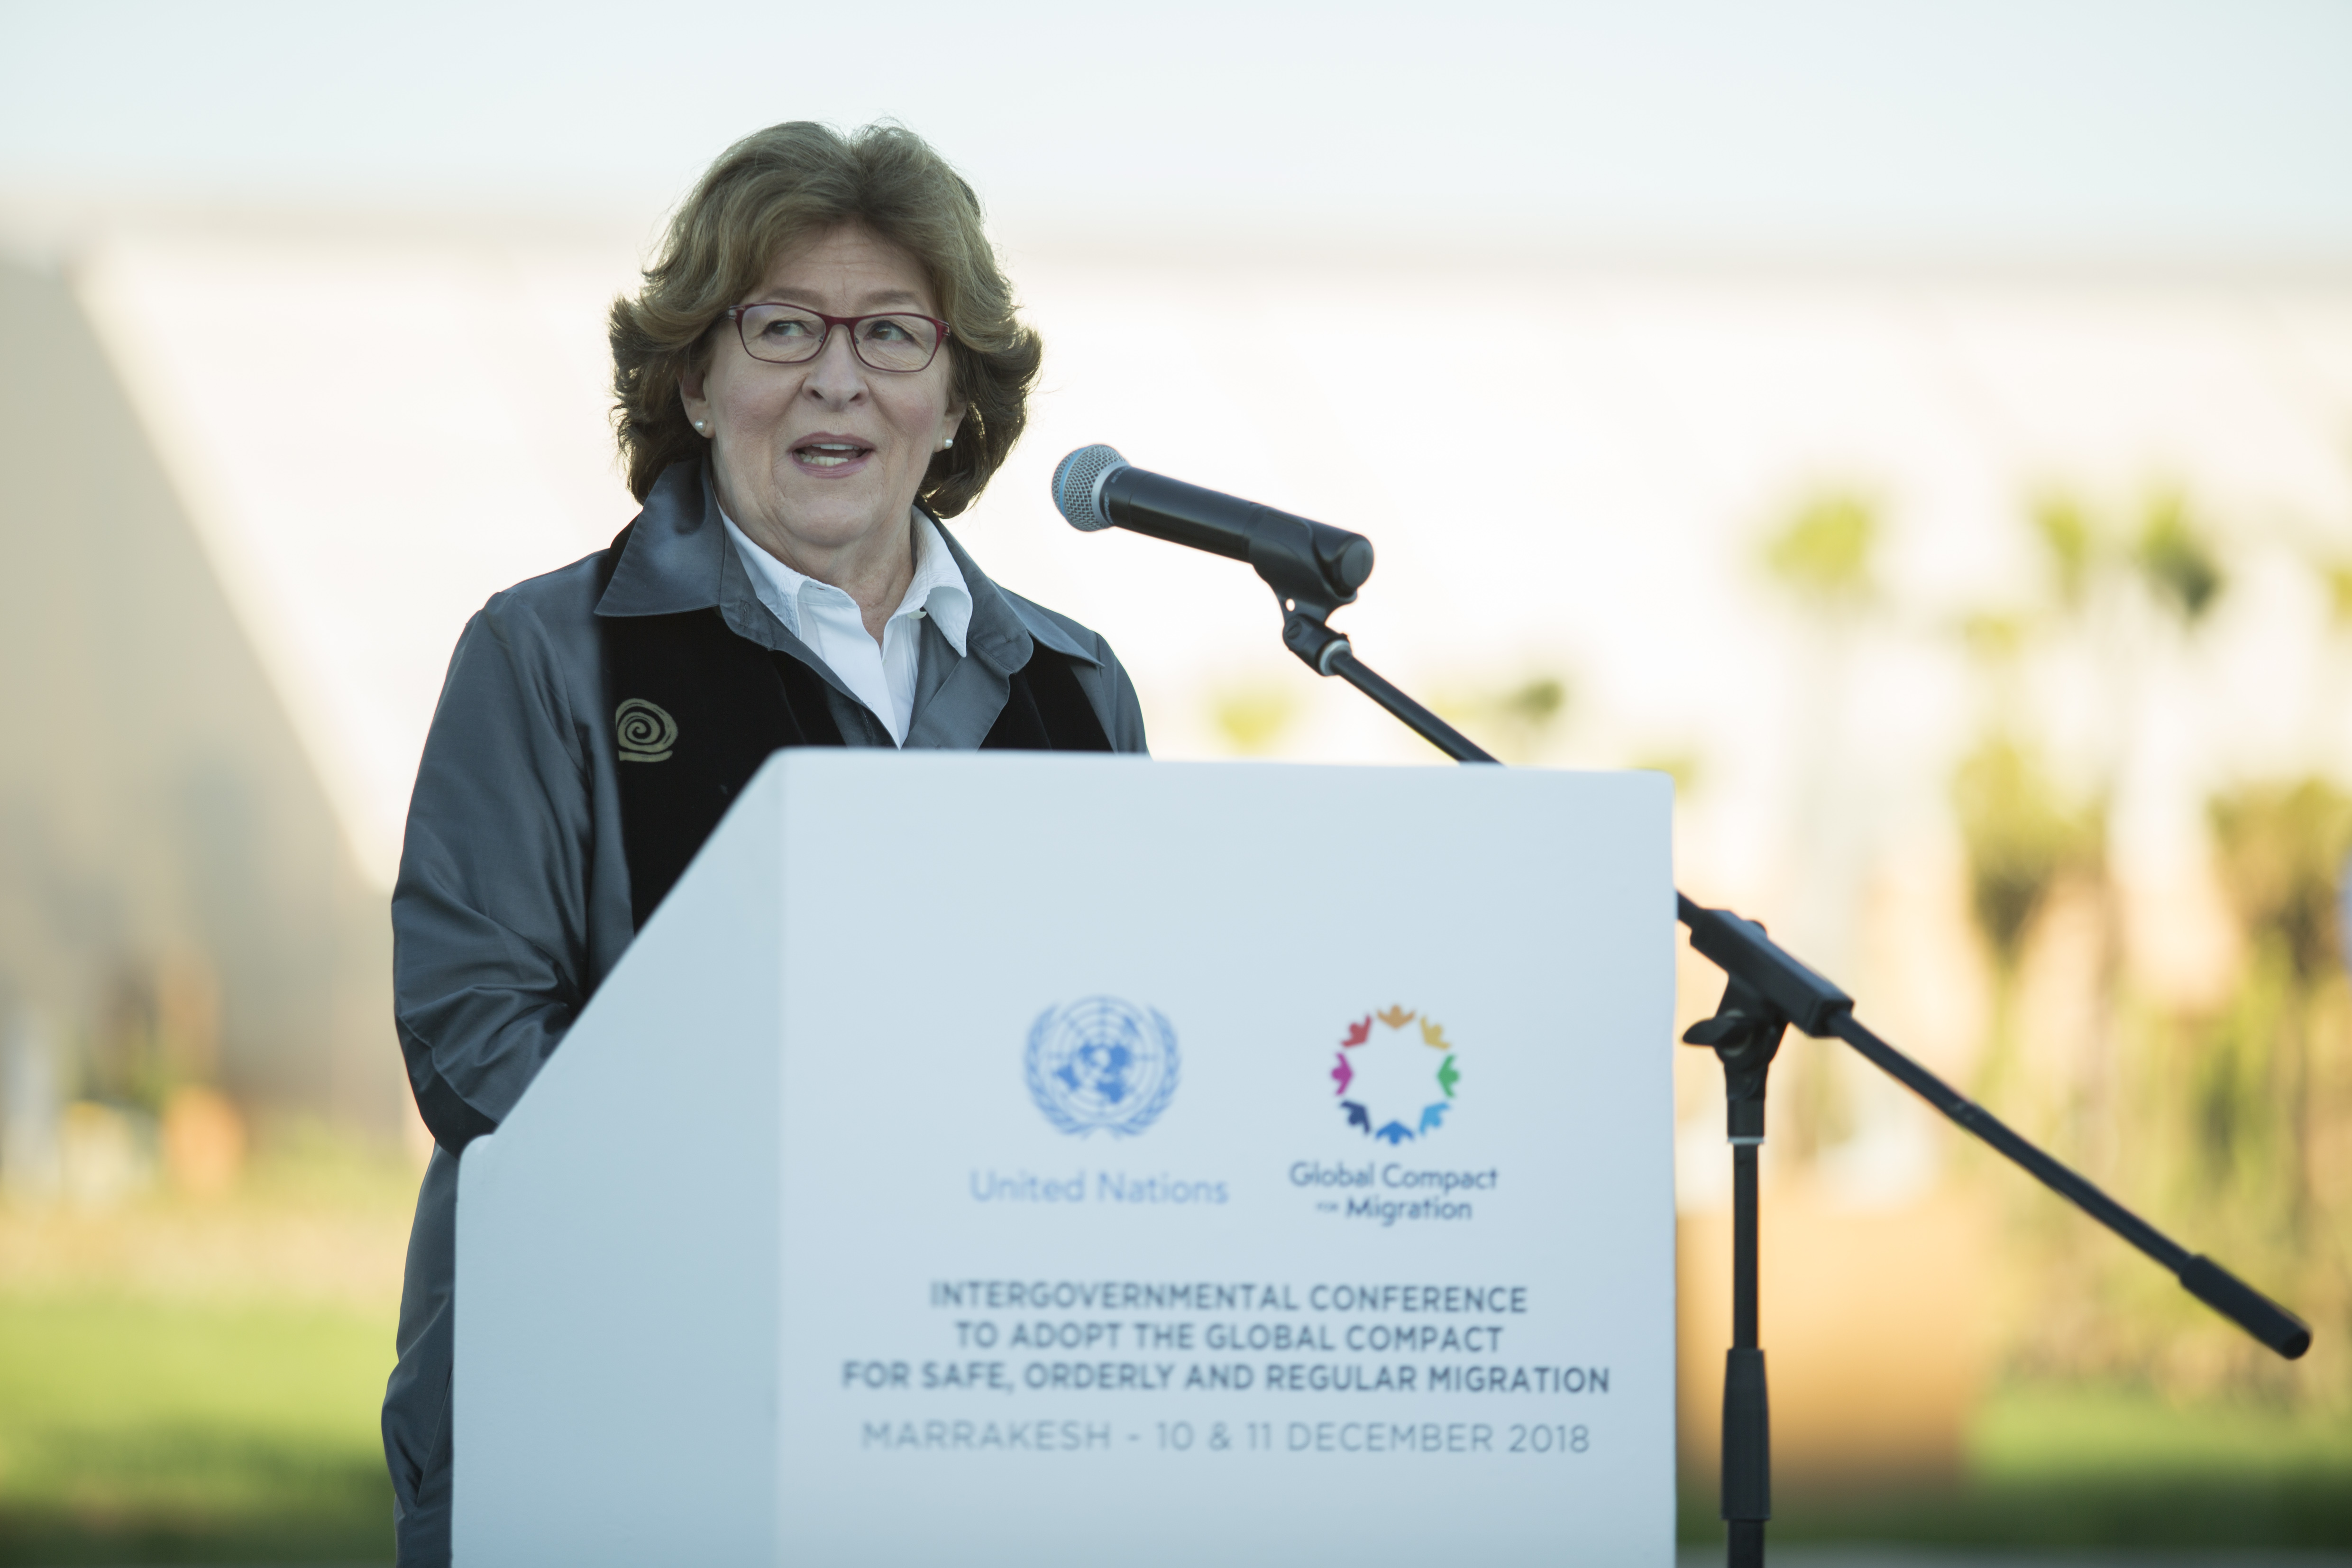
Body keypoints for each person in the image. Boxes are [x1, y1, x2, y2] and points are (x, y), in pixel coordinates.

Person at [378, 121, 1146, 1566]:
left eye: (895, 334)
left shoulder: (1071, 684)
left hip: (962, 1424)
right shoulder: (549, 653)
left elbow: (1095, 1033)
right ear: (695, 373)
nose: (837, 375)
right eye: (782, 325)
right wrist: (795, 1189)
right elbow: (473, 1035)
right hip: (612, 1413)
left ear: (958, 394)